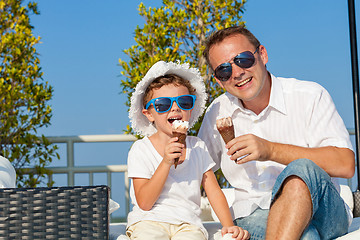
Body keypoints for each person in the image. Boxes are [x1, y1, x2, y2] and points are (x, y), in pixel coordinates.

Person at [198, 26, 355, 240]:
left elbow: (345, 164)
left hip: (324, 211)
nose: (236, 73)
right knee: (306, 236)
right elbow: (197, 171)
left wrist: (270, 149)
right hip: (253, 215)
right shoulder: (217, 112)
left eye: (243, 60)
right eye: (224, 70)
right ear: (218, 80)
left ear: (262, 54)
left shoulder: (309, 96)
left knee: (301, 169)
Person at [126, 61, 250, 240]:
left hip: (188, 224)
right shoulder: (141, 149)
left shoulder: (197, 147)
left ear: (191, 109)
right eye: (162, 104)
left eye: (184, 102)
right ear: (149, 114)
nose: (175, 107)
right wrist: (166, 162)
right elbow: (144, 202)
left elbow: (213, 191)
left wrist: (229, 225)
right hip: (148, 221)